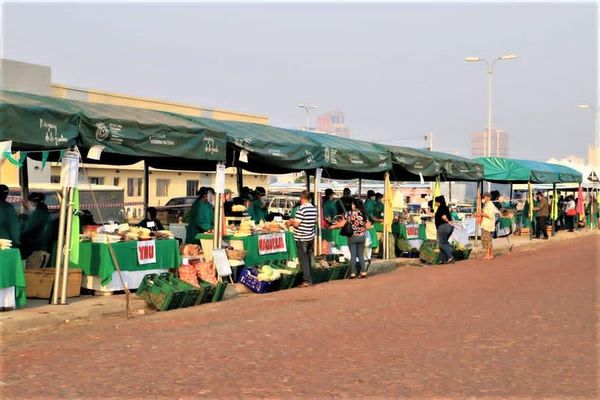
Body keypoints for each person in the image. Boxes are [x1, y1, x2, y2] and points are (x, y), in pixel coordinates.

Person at [332, 198, 370, 278]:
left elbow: (342, 224)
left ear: (355, 205)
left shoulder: (349, 214)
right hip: (362, 237)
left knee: (353, 255)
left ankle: (353, 273)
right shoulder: (364, 214)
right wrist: (361, 229)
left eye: (352, 204)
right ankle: (363, 272)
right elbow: (368, 226)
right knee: (360, 255)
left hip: (352, 237)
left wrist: (333, 226)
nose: (351, 205)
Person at [286, 190, 317, 287]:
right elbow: (314, 221)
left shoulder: (301, 209)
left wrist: (291, 221)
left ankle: (307, 280)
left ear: (301, 198)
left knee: (303, 260)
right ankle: (309, 278)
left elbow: (296, 224)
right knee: (308, 258)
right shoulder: (314, 209)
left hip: (301, 237)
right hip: (310, 236)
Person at [20, 192, 51, 258]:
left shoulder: (38, 213)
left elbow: (26, 230)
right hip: (44, 245)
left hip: (37, 247)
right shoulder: (44, 212)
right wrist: (27, 218)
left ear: (33, 202)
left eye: (29, 202)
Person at [478, 192, 498, 260]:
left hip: (487, 224)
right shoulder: (487, 204)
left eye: (485, 197)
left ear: (488, 197)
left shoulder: (490, 205)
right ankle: (490, 254)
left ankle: (488, 255)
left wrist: (481, 214)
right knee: (489, 239)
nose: (484, 198)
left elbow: (489, 215)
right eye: (484, 197)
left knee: (487, 239)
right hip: (486, 224)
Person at [434, 195, 454, 264]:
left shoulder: (441, 208)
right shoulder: (446, 207)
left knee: (442, 243)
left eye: (435, 201)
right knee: (443, 242)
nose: (435, 203)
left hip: (443, 227)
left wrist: (448, 222)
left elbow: (444, 217)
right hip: (449, 227)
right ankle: (443, 259)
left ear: (438, 202)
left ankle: (450, 257)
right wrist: (450, 223)